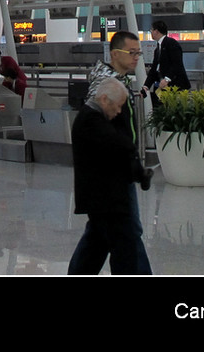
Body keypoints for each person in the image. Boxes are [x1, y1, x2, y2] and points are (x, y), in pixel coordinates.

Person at [67, 77, 153, 275]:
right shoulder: (90, 119)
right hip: (106, 201)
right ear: (104, 99)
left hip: (103, 200)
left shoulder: (93, 118)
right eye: (118, 106)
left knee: (95, 246)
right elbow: (120, 145)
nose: (119, 111)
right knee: (123, 246)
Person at [144, 20, 190, 94]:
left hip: (176, 87)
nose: (151, 32)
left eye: (151, 30)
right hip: (164, 86)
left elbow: (177, 64)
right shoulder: (158, 48)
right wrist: (146, 86)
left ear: (156, 31)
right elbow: (154, 69)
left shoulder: (172, 44)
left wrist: (167, 79)